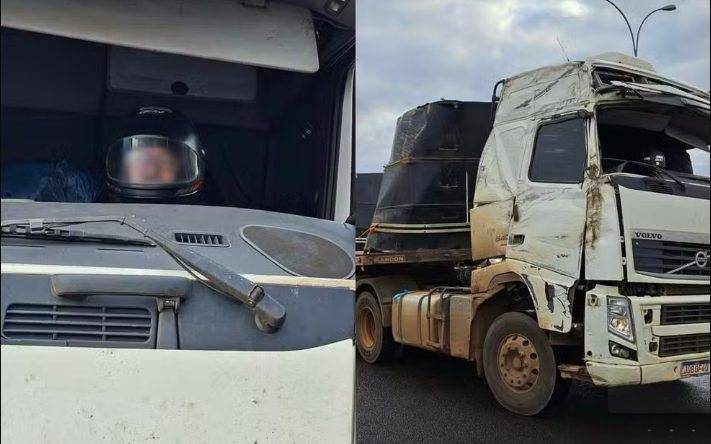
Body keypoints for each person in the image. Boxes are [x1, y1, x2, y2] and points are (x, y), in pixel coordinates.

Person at [104, 106, 206, 203]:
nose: (151, 171)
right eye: (141, 162)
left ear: (180, 169)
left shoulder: (209, 213)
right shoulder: (98, 210)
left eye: (163, 163)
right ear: (123, 168)